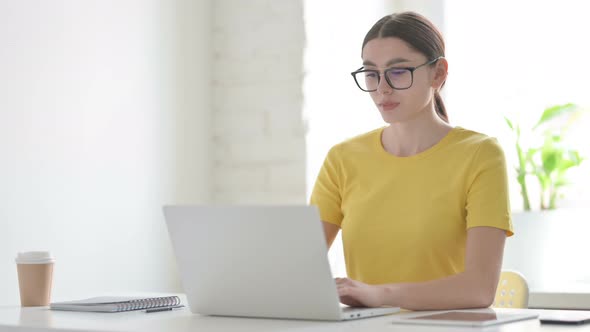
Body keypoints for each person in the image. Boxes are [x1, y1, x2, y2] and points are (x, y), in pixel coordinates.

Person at [310, 11, 513, 310]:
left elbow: (479, 289)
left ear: (438, 73)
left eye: (398, 71)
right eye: (371, 73)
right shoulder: (342, 159)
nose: (382, 88)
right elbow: (297, 267)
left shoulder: (480, 154)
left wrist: (381, 295)